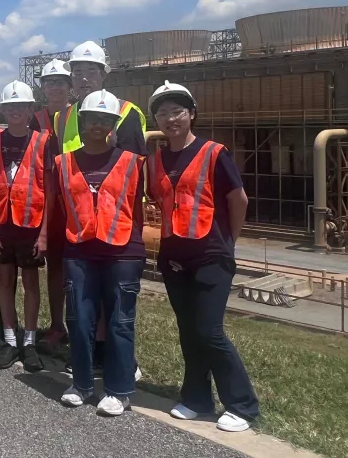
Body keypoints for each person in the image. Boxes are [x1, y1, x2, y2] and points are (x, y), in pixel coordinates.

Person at [146, 81, 259, 432]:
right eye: (162, 113)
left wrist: (230, 241)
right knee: (188, 331)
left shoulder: (214, 153)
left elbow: (238, 200)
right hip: (174, 256)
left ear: (192, 114)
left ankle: (242, 405)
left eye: (177, 111)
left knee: (210, 331)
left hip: (211, 255)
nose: (170, 119)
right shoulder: (154, 161)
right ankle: (196, 398)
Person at [59, 42, 147, 374]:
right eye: (77, 72)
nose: (82, 78)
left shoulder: (127, 111)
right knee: (85, 299)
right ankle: (93, 356)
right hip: (78, 219)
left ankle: (123, 362)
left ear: (104, 74)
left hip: (114, 220)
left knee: (114, 299)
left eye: (89, 71)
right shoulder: (64, 115)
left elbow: (133, 170)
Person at [0, 81, 51, 372]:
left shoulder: (44, 141)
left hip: (31, 224)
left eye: (20, 107)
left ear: (30, 109)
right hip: (2, 223)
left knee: (31, 283)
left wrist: (45, 233)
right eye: (9, 107)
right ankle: (11, 339)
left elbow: (51, 189)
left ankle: (30, 341)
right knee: (5, 280)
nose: (14, 112)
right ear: (3, 110)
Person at [31, 59, 73, 351]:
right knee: (55, 267)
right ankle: (57, 326)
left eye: (60, 82)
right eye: (49, 82)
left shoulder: (83, 114)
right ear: (43, 87)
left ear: (70, 86)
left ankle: (82, 328)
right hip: (49, 203)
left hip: (79, 202)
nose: (55, 87)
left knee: (80, 269)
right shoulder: (35, 118)